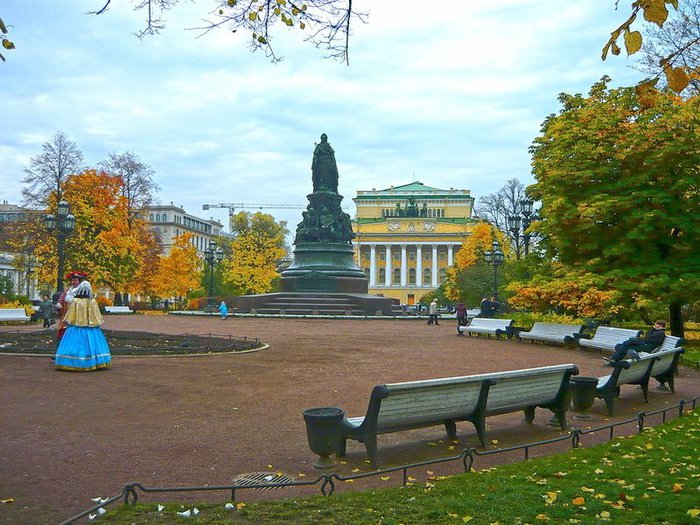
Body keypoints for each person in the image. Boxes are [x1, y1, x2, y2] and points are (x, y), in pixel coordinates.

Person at [55, 281, 111, 371]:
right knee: (93, 345)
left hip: (75, 328)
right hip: (91, 328)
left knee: (72, 344)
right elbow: (96, 315)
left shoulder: (75, 301)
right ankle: (94, 361)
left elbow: (70, 315)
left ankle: (71, 361)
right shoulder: (92, 301)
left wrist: (67, 322)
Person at [55, 270, 88, 341]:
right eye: (72, 280)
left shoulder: (82, 291)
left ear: (79, 281)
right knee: (64, 328)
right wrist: (60, 303)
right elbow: (63, 297)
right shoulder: (68, 291)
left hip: (78, 314)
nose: (73, 282)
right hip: (67, 313)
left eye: (75, 280)